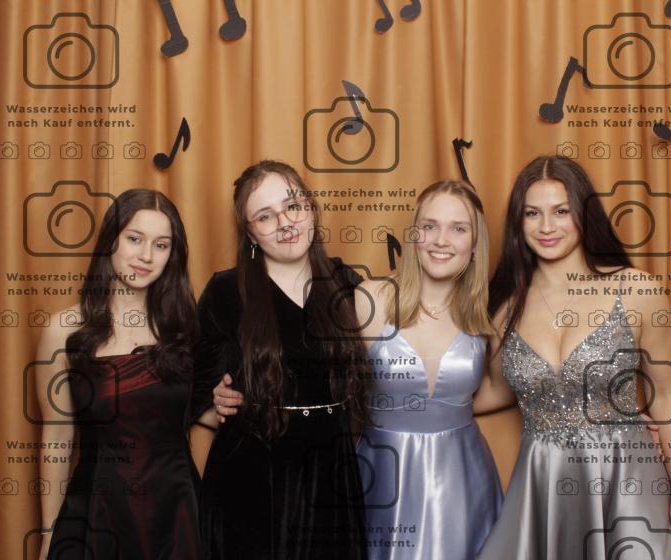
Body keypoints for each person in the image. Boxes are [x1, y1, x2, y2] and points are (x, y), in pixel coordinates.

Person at [477, 156, 671, 559]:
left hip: (627, 478)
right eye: (532, 213)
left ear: (584, 214)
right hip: (544, 482)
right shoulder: (504, 310)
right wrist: (419, 407)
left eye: (561, 211)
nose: (547, 227)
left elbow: (666, 396)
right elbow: (496, 389)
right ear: (518, 222)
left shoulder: (636, 290)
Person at [190, 160, 372, 559]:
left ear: (311, 209)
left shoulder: (347, 285)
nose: (285, 223)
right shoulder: (224, 292)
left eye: (293, 206)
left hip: (332, 476)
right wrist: (214, 399)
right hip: (252, 481)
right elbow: (196, 399)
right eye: (265, 216)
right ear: (249, 232)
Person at [35, 189, 201, 559]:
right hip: (98, 513)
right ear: (111, 239)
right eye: (134, 239)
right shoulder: (63, 330)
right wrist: (48, 533)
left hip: (176, 515)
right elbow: (57, 440)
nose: (146, 256)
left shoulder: (186, 329)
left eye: (161, 245)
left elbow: (206, 412)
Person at [353, 180, 510, 559]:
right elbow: (333, 384)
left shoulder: (488, 314)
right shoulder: (369, 299)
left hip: (462, 474)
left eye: (458, 229)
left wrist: (449, 409)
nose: (441, 240)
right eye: (430, 226)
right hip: (383, 471)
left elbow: (502, 388)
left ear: (475, 243)